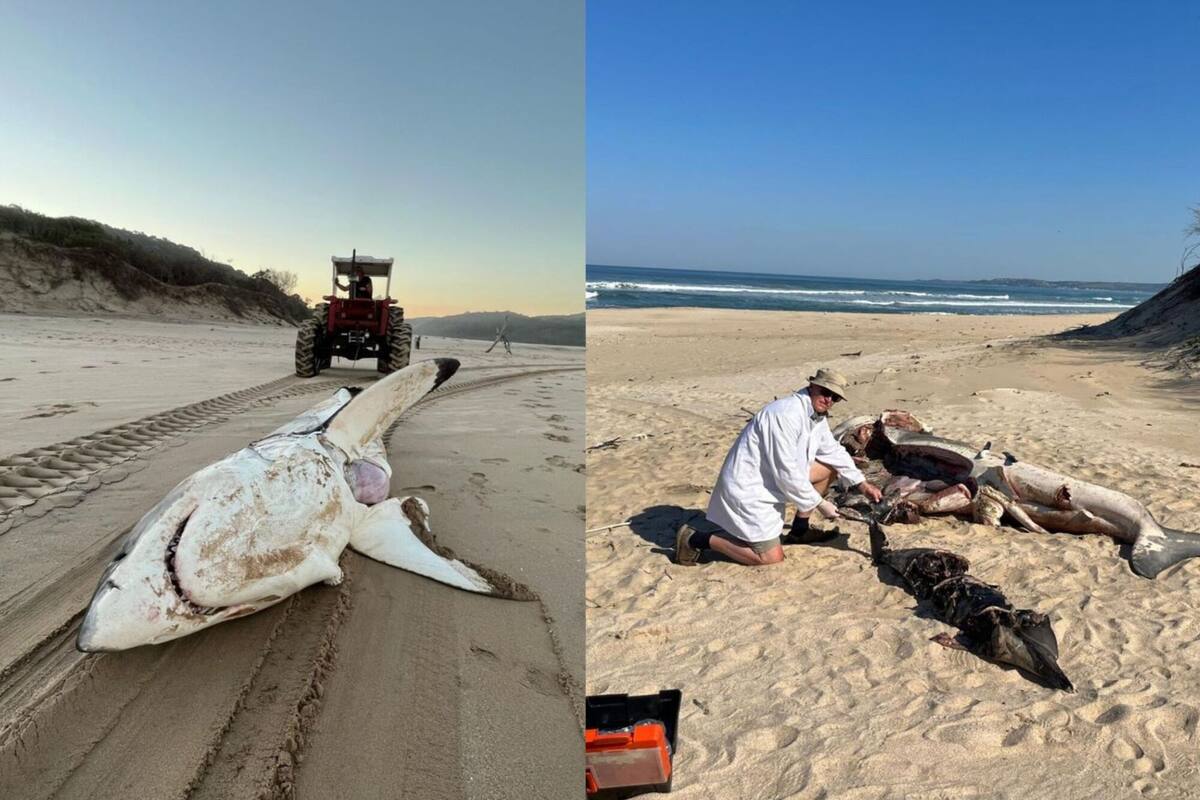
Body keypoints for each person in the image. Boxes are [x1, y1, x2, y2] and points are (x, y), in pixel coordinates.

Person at [675, 368, 883, 567]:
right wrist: (820, 503)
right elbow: (786, 471)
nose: (829, 399)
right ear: (812, 386)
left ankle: (800, 530)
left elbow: (832, 451)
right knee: (769, 558)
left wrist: (862, 484)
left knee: (829, 467)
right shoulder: (784, 414)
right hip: (751, 489)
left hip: (775, 479)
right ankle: (696, 539)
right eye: (825, 392)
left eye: (835, 397)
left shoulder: (815, 416)